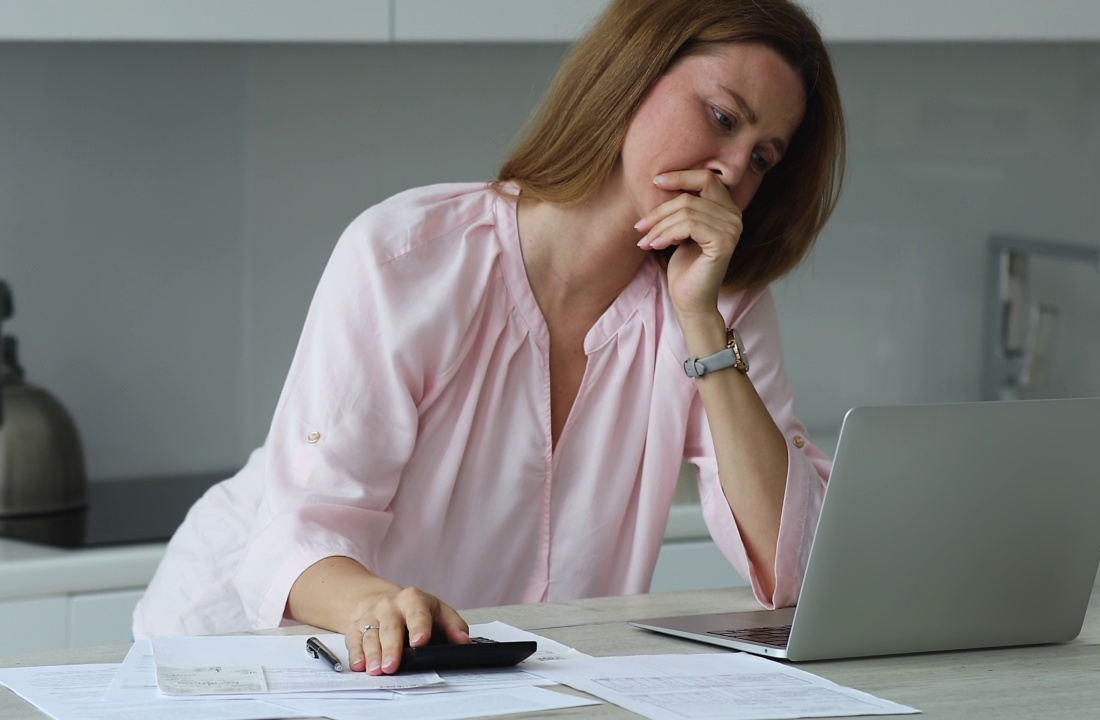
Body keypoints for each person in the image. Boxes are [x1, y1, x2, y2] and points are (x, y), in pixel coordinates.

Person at [133, 0, 846, 677]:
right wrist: (373, 604)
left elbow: (797, 569)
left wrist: (701, 324)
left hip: (470, 678)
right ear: (632, 74)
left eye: (762, 159)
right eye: (722, 117)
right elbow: (297, 536)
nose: (731, 168)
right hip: (244, 651)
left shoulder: (717, 304)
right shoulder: (407, 257)